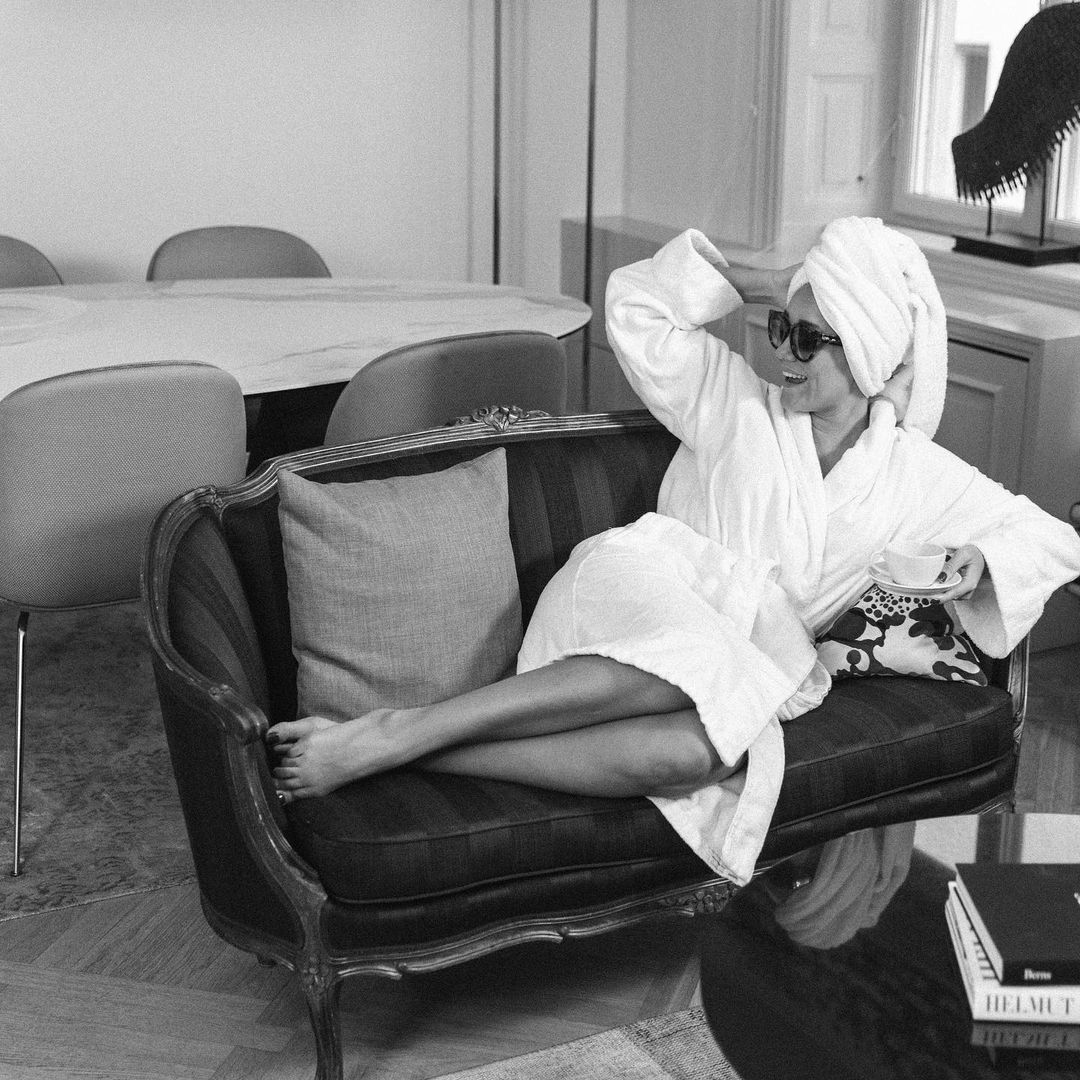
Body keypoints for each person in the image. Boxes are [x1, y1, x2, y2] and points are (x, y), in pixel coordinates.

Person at [267, 216, 1080, 884]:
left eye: (807, 338)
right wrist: (755, 283)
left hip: (745, 653)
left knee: (694, 756)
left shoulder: (914, 475)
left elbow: (1052, 538)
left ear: (864, 351)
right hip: (648, 584)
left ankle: (410, 755)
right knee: (685, 662)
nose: (781, 354)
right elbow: (637, 307)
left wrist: (982, 558)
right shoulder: (732, 399)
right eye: (780, 329)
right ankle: (400, 727)